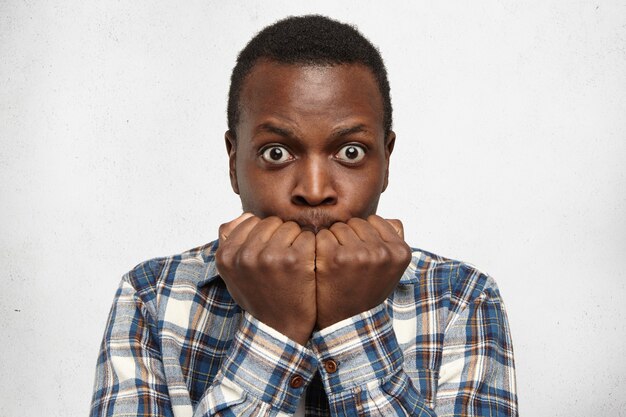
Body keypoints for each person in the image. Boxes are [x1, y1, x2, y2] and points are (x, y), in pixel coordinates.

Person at [90, 15, 518, 417]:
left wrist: (352, 326)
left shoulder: (462, 299)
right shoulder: (152, 297)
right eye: (276, 153)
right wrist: (275, 331)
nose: (314, 191)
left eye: (350, 152)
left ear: (385, 161)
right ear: (234, 161)